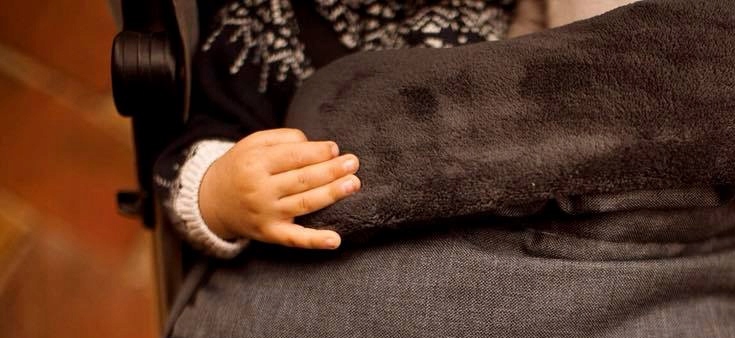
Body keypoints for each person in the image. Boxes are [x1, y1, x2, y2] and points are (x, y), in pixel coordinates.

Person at [154, 0, 523, 259]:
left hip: (494, 254)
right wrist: (224, 196)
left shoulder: (519, 16)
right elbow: (199, 145)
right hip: (333, 268)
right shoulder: (262, 26)